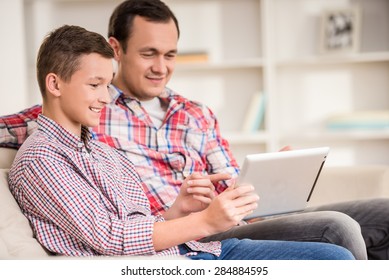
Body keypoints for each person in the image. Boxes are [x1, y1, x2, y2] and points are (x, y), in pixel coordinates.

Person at [1, 0, 388, 260]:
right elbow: (111, 236)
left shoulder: (181, 117)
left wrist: (268, 180)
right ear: (118, 51)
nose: (161, 66)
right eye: (149, 53)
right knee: (336, 237)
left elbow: (137, 221)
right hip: (192, 242)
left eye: (169, 55)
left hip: (205, 229)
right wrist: (197, 221)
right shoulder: (72, 129)